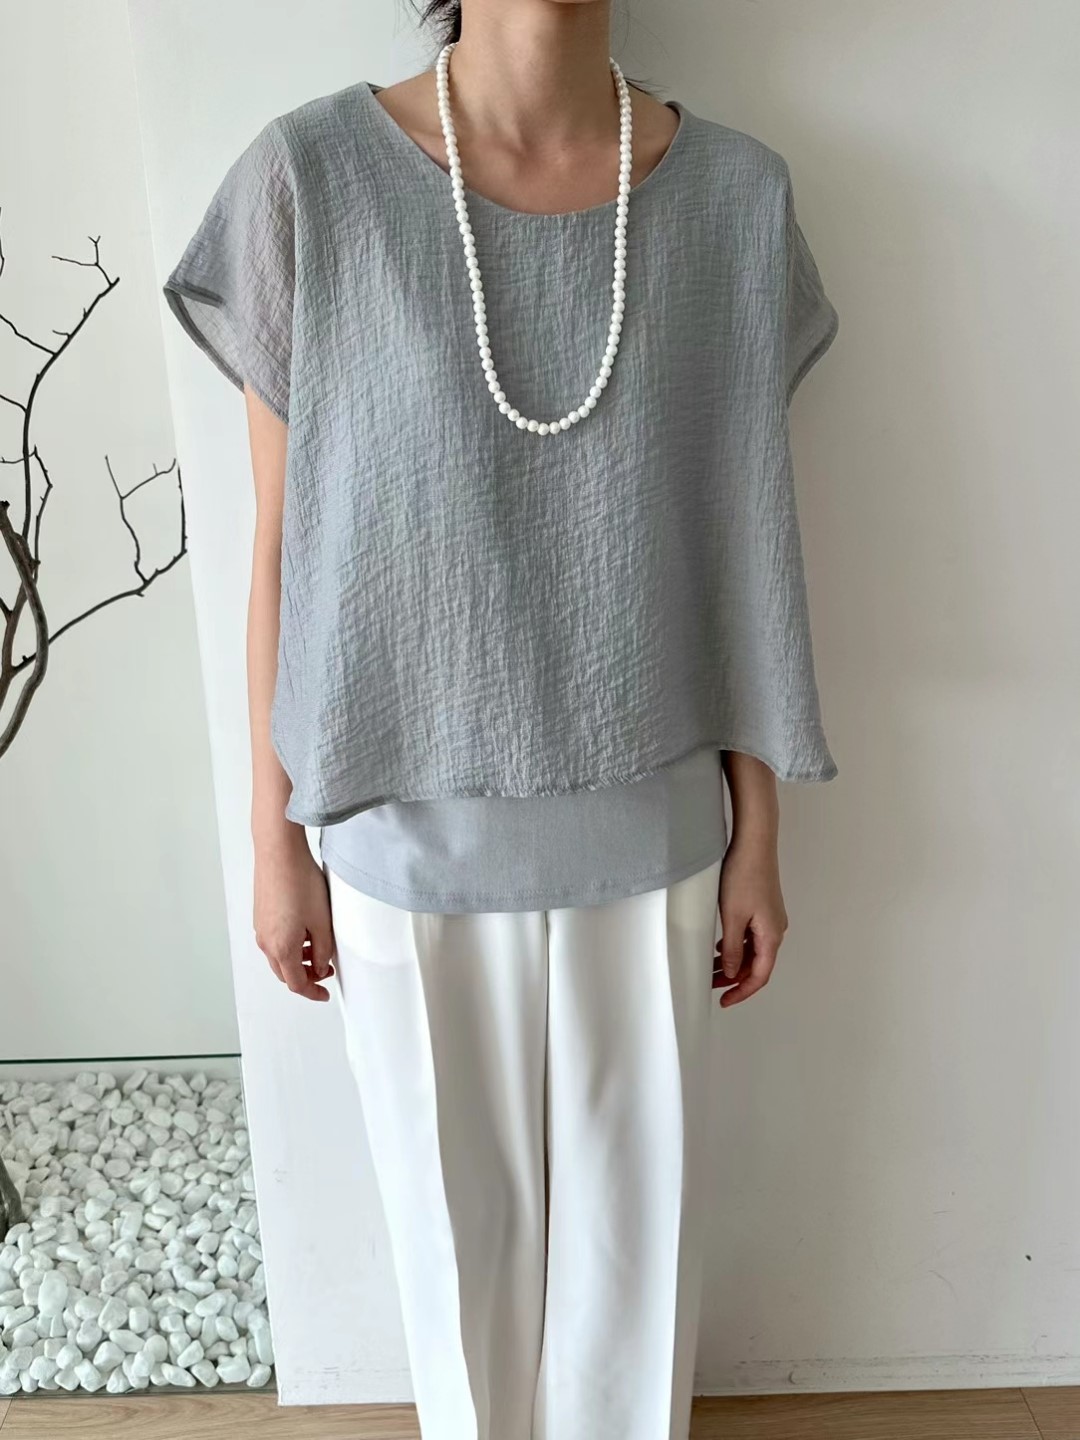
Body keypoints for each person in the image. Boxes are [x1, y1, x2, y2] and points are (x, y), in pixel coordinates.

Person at [162, 1, 839, 1435]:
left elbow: (745, 537)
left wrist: (760, 831)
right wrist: (273, 840)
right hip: (399, 844)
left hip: (657, 838)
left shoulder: (734, 200)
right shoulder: (309, 183)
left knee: (634, 1282)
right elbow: (283, 543)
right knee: (455, 1284)